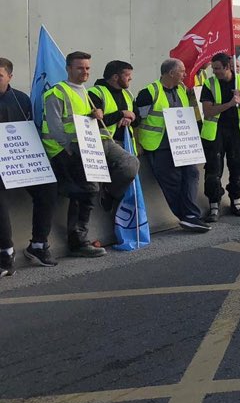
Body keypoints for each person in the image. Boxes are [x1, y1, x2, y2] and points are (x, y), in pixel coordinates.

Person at [41, 51, 140, 257]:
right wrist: (72, 151)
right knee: (87, 189)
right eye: (80, 68)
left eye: (87, 68)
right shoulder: (56, 93)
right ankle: (78, 241)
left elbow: (85, 122)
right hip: (65, 150)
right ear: (68, 68)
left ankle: (106, 195)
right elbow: (55, 128)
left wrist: (94, 117)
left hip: (89, 145)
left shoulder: (85, 92)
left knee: (128, 165)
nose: (85, 71)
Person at [133, 58, 210, 232]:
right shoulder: (149, 92)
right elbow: (137, 121)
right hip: (159, 145)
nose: (185, 74)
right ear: (171, 73)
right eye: (182, 71)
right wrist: (137, 144)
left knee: (192, 173)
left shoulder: (182, 90)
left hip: (182, 144)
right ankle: (187, 216)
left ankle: (190, 215)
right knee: (172, 182)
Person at [0, 57, 59, 275]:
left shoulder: (21, 99)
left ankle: (38, 245)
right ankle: (5, 252)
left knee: (49, 187)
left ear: (10, 77)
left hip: (20, 162)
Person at [200, 53, 240, 221]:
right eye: (213, 68)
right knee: (213, 170)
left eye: (217, 68)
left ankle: (236, 201)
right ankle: (214, 205)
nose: (215, 71)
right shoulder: (209, 84)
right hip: (215, 133)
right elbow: (208, 110)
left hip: (237, 133)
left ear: (227, 67)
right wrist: (230, 104)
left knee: (238, 168)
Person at [88, 60, 137, 151]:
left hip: (127, 143)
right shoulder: (95, 92)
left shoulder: (128, 94)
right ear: (115, 77)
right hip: (105, 144)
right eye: (127, 75)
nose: (130, 78)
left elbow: (137, 120)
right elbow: (96, 122)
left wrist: (130, 118)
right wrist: (122, 114)